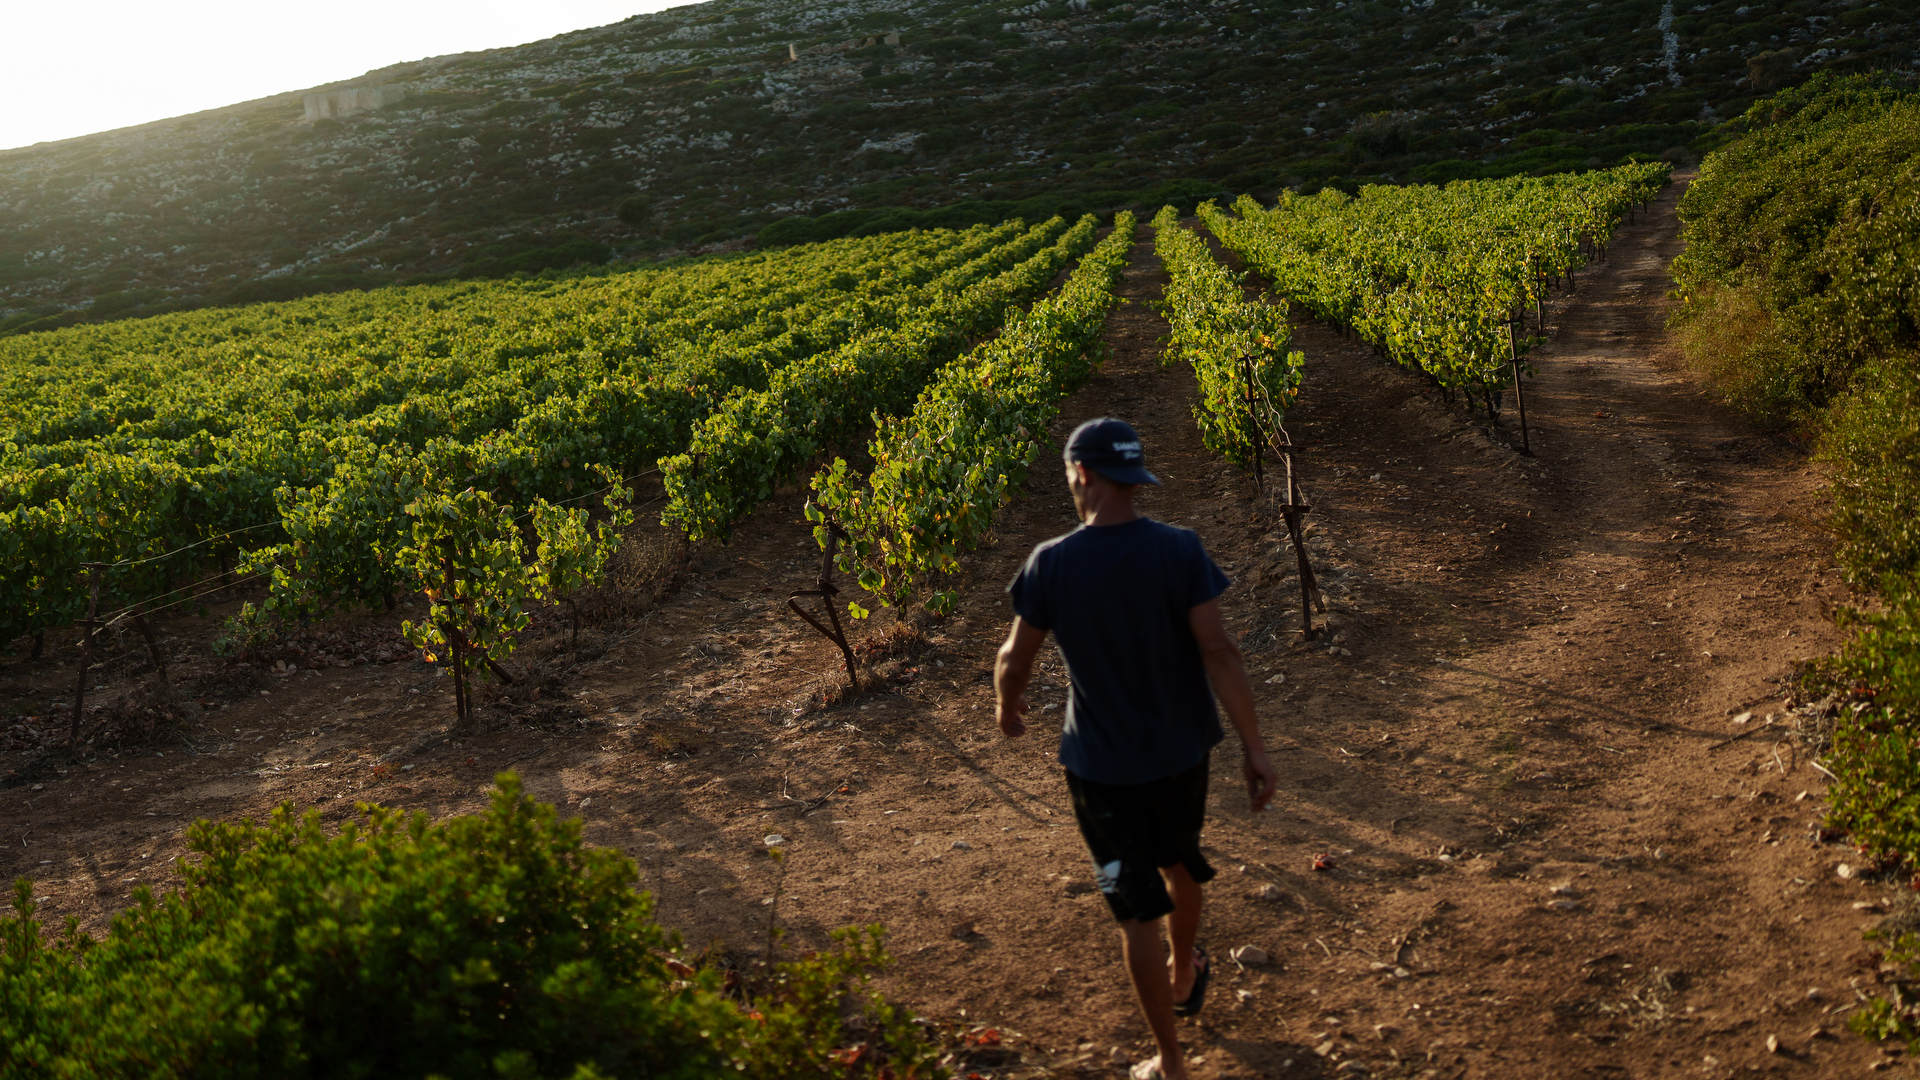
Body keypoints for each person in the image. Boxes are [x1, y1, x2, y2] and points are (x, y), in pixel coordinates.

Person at [994, 417, 1278, 1080]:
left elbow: (1014, 655)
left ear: (1084, 474)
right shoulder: (1180, 551)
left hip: (1100, 771)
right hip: (1185, 755)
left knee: (1134, 915)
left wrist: (1007, 706)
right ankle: (1186, 970)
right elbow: (1220, 651)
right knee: (1181, 863)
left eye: (1070, 473)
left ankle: (1171, 1061)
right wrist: (1255, 747)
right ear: (1133, 475)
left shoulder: (1052, 563)